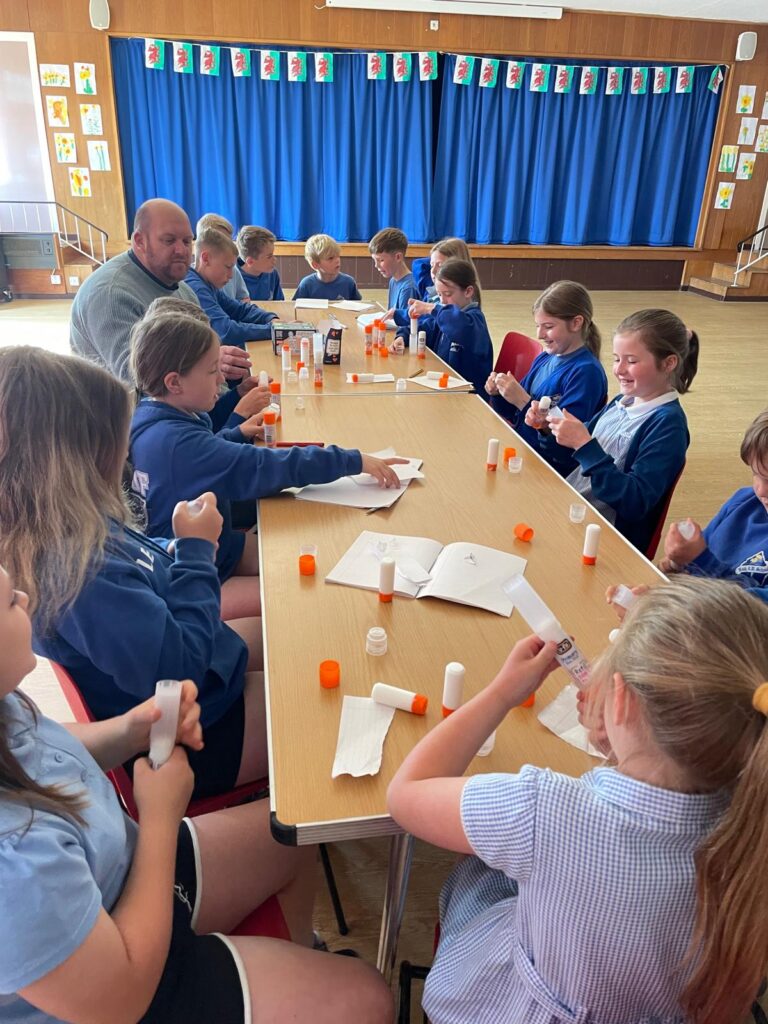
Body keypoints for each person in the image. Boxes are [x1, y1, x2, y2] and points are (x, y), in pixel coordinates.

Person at [0, 567, 394, 1024]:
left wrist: (130, 731)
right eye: (9, 602)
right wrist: (160, 816)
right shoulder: (16, 867)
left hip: (121, 877)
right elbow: (122, 999)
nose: (25, 597)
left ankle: (294, 960)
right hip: (126, 986)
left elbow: (42, 746)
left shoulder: (7, 703)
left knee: (292, 833)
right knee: (371, 998)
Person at [387, 576, 768, 1024]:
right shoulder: (752, 821)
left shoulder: (543, 809)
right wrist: (628, 747)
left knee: (476, 871)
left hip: (516, 1007)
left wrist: (503, 692)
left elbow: (406, 794)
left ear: (621, 702)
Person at [0, 346, 263, 800]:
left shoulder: (67, 525)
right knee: (314, 697)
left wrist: (175, 546)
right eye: (121, 441)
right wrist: (197, 552)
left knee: (291, 629)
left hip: (195, 676)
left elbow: (136, 560)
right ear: (84, 455)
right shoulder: (79, 569)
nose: (128, 453)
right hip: (191, 733)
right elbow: (181, 674)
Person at [128, 314, 407, 619]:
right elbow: (269, 466)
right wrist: (354, 460)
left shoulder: (150, 417)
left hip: (209, 548)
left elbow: (201, 459)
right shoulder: (181, 445)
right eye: (212, 371)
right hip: (191, 580)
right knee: (299, 593)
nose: (221, 380)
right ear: (174, 382)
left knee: (306, 557)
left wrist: (235, 434)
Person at [550, 309, 698, 554]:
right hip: (572, 508)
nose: (619, 370)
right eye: (616, 359)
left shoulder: (668, 426)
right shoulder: (622, 401)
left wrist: (585, 446)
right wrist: (550, 430)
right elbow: (575, 457)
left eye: (631, 361)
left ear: (668, 363)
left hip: (602, 539)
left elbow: (635, 502)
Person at [69, 198, 250, 384]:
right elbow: (139, 381)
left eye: (187, 241)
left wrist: (232, 395)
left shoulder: (185, 291)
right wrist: (206, 362)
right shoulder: (110, 294)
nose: (181, 250)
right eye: (169, 240)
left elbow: (207, 360)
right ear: (140, 241)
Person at [485, 281, 607, 477]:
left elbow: (564, 450)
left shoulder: (586, 373)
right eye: (538, 326)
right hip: (524, 453)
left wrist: (522, 401)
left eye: (548, 326)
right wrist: (499, 394)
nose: (540, 334)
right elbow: (515, 416)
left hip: (550, 471)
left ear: (576, 323)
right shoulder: (545, 358)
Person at [660, 408, 768, 602]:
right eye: (755, 474)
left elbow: (754, 610)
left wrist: (700, 561)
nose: (760, 490)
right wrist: (679, 567)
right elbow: (701, 555)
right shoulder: (744, 501)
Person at [395, 259, 492, 398]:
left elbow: (459, 327)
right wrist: (402, 337)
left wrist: (431, 308)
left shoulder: (474, 322)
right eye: (439, 295)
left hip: (468, 397)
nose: (442, 301)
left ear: (468, 291)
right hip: (444, 390)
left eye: (448, 294)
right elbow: (423, 329)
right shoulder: (444, 317)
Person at [185, 228, 278, 346]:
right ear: (206, 259)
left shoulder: (208, 283)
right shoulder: (196, 288)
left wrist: (269, 318)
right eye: (228, 267)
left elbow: (239, 309)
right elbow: (226, 331)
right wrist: (272, 330)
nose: (231, 276)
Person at [196, 212, 249, 301]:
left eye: (229, 241)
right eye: (221, 240)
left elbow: (244, 298)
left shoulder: (233, 270)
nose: (228, 245)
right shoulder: (192, 280)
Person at [292, 234, 361, 301]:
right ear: (315, 265)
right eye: (330, 258)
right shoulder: (306, 285)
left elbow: (358, 305)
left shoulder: (349, 282)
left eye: (338, 256)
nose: (337, 260)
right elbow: (295, 306)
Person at [369, 227, 418, 311]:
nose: (376, 265)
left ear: (398, 257)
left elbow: (404, 319)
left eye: (381, 260)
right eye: (374, 260)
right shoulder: (393, 280)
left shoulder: (408, 287)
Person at [236, 224, 285, 300]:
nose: (274, 260)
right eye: (269, 256)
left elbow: (279, 303)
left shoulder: (272, 274)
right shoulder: (232, 278)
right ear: (250, 261)